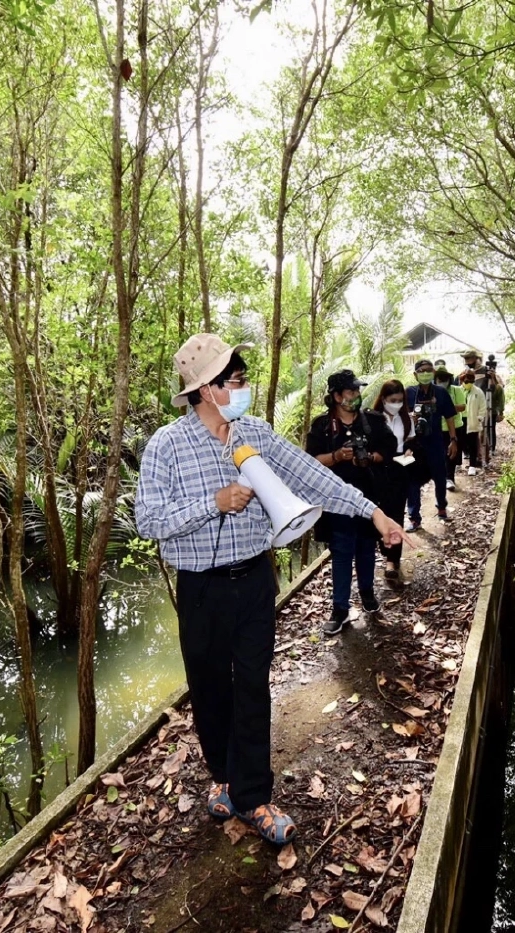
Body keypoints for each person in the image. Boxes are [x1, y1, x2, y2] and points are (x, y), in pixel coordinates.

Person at [135, 334, 409, 846]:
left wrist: (374, 513)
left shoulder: (256, 432)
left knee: (253, 687)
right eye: (236, 382)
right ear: (207, 389)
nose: (243, 389)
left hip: (255, 582)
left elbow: (313, 477)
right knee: (211, 688)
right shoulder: (166, 446)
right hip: (201, 590)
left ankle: (255, 797)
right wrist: (212, 503)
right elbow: (147, 521)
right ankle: (224, 779)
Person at [306, 370, 398, 635]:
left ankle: (368, 593)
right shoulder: (322, 426)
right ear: (336, 396)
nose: (356, 396)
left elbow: (389, 448)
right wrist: (336, 456)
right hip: (336, 503)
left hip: (369, 498)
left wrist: (370, 458)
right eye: (351, 392)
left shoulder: (372, 421)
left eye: (358, 391)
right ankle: (340, 608)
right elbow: (310, 461)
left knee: (367, 548)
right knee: (342, 552)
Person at [405, 359, 459, 530]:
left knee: (440, 477)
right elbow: (397, 415)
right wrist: (409, 417)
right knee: (412, 481)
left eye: (429, 370)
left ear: (434, 373)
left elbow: (450, 417)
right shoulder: (409, 393)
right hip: (414, 445)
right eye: (421, 370)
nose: (425, 373)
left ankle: (442, 509)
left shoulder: (441, 393)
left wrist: (453, 440)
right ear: (415, 375)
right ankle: (414, 518)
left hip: (436, 442)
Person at [372, 379, 415, 581]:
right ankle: (383, 547)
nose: (396, 404)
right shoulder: (372, 419)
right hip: (378, 470)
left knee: (397, 514)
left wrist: (409, 450)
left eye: (400, 400)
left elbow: (411, 442)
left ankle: (392, 560)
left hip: (399, 469)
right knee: (380, 512)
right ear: (383, 399)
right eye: (392, 400)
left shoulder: (406, 419)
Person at [434, 366, 465, 491]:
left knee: (451, 454)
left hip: (455, 427)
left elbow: (462, 406)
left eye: (444, 378)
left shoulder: (456, 390)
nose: (442, 381)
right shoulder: (431, 392)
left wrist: (447, 407)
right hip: (438, 428)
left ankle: (449, 478)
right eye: (439, 378)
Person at [460, 368, 487, 474]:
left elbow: (483, 406)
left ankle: (472, 466)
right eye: (466, 380)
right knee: (459, 442)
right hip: (460, 420)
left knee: (473, 443)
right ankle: (458, 463)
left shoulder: (478, 392)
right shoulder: (458, 390)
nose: (468, 382)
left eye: (470, 380)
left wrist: (480, 417)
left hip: (472, 420)